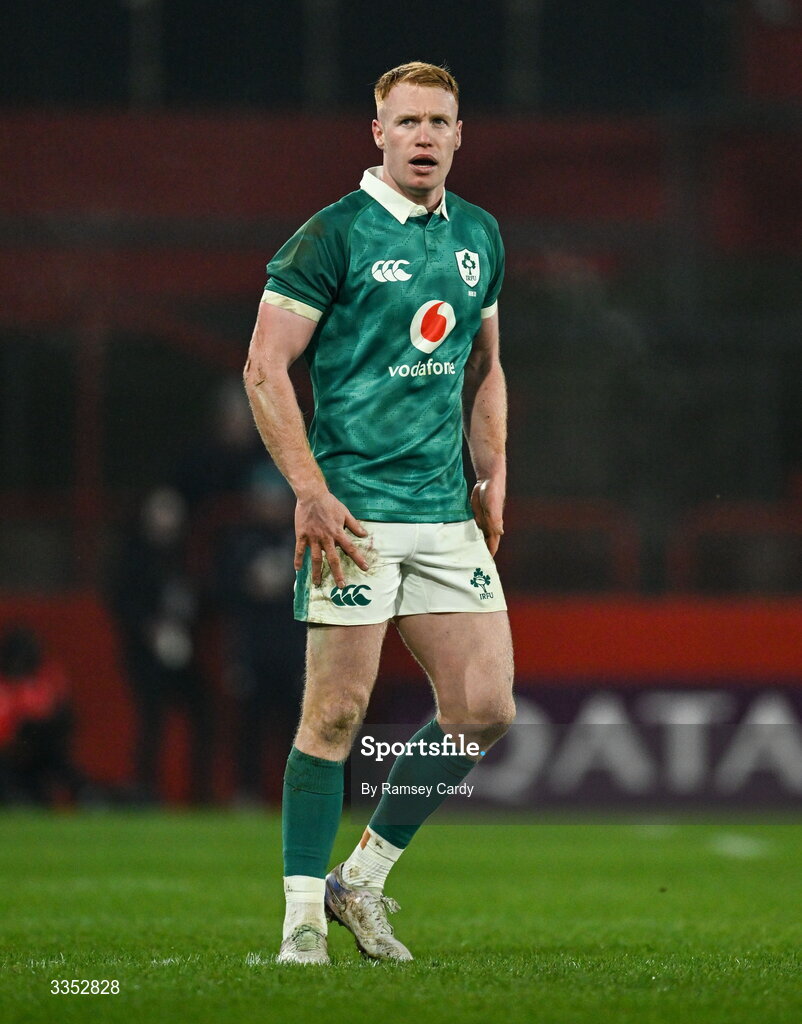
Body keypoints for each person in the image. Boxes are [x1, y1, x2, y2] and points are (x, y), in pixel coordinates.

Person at [243, 61, 515, 965]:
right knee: (332, 716)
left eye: (441, 121)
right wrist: (309, 489)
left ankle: (358, 881)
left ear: (460, 134)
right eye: (408, 122)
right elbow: (263, 369)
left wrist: (495, 469)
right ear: (379, 134)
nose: (426, 137)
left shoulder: (480, 233)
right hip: (351, 515)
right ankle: (299, 921)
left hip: (444, 513)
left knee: (484, 707)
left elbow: (485, 366)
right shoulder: (332, 236)